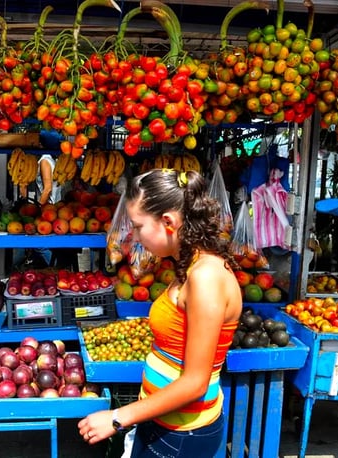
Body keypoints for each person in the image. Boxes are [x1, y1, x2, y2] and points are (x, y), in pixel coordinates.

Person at [78, 169, 242, 458]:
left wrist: (117, 418)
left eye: (139, 226)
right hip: (163, 423)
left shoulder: (205, 277)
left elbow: (195, 383)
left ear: (168, 221)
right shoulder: (188, 266)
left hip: (180, 436)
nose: (136, 235)